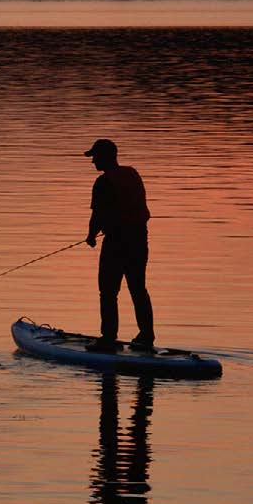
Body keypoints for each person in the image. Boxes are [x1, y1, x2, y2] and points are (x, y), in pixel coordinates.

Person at [84, 138, 155, 353]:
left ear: (105, 157)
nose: (93, 161)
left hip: (117, 242)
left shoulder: (103, 182)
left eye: (95, 156)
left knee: (107, 291)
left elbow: (97, 215)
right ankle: (146, 336)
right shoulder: (132, 173)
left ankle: (108, 338)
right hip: (139, 240)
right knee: (138, 288)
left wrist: (91, 236)